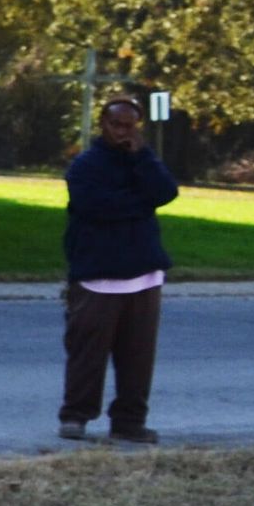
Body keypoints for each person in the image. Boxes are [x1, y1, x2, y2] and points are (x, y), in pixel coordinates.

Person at [61, 94, 177, 444]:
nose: (123, 132)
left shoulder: (142, 160)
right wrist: (140, 204)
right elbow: (94, 206)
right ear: (103, 124)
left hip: (144, 276)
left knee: (138, 359)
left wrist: (141, 158)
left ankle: (129, 422)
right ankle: (75, 416)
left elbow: (166, 192)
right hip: (98, 276)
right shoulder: (86, 165)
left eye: (130, 125)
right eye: (117, 124)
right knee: (87, 356)